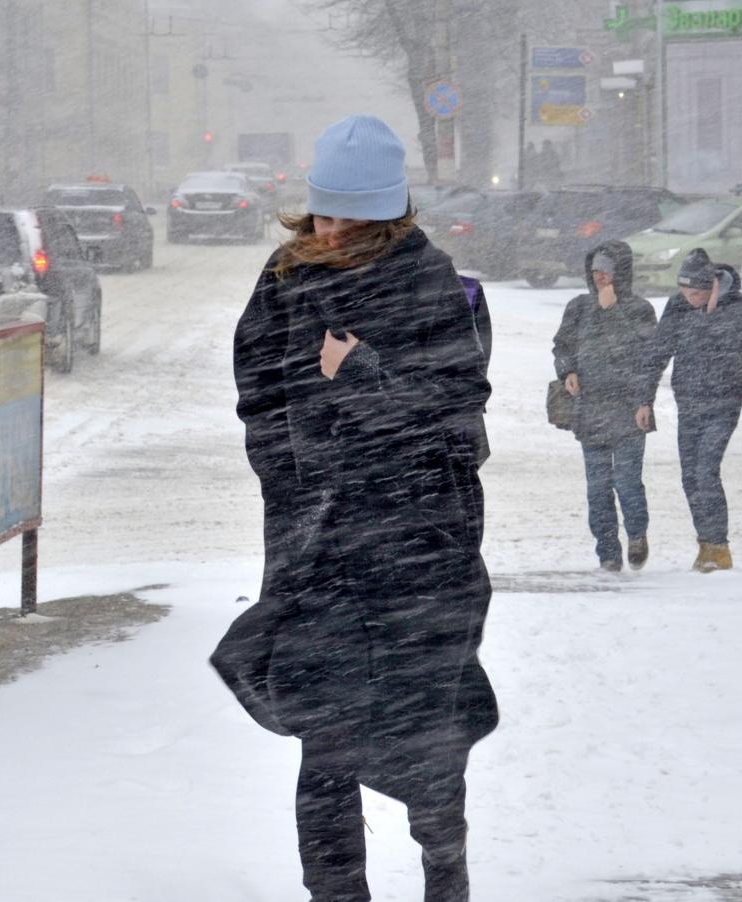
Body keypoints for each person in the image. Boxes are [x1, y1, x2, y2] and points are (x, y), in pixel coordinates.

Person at [214, 114, 496, 902]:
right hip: (320, 552)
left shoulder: (429, 283)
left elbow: (456, 411)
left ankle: (446, 873)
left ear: (386, 212)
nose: (330, 231)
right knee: (324, 738)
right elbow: (258, 398)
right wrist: (293, 482)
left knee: (427, 738)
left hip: (417, 549)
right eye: (322, 213)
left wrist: (363, 374)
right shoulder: (284, 278)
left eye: (348, 217)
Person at [633, 248, 742, 572]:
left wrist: (709, 314)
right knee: (690, 478)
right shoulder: (678, 305)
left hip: (724, 403)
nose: (690, 298)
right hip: (690, 403)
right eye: (685, 292)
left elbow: (735, 348)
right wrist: (644, 400)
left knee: (706, 471)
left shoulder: (737, 307)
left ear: (713, 286)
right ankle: (706, 545)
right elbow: (658, 352)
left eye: (697, 293)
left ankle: (720, 547)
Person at [552, 241, 658, 571]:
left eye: (607, 271)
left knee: (626, 482)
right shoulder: (578, 307)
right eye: (596, 270)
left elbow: (646, 356)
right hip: (591, 410)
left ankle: (637, 534)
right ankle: (608, 552)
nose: (600, 277)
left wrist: (613, 311)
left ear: (621, 274)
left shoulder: (639, 309)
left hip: (629, 409)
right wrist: (567, 369)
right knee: (597, 489)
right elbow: (562, 345)